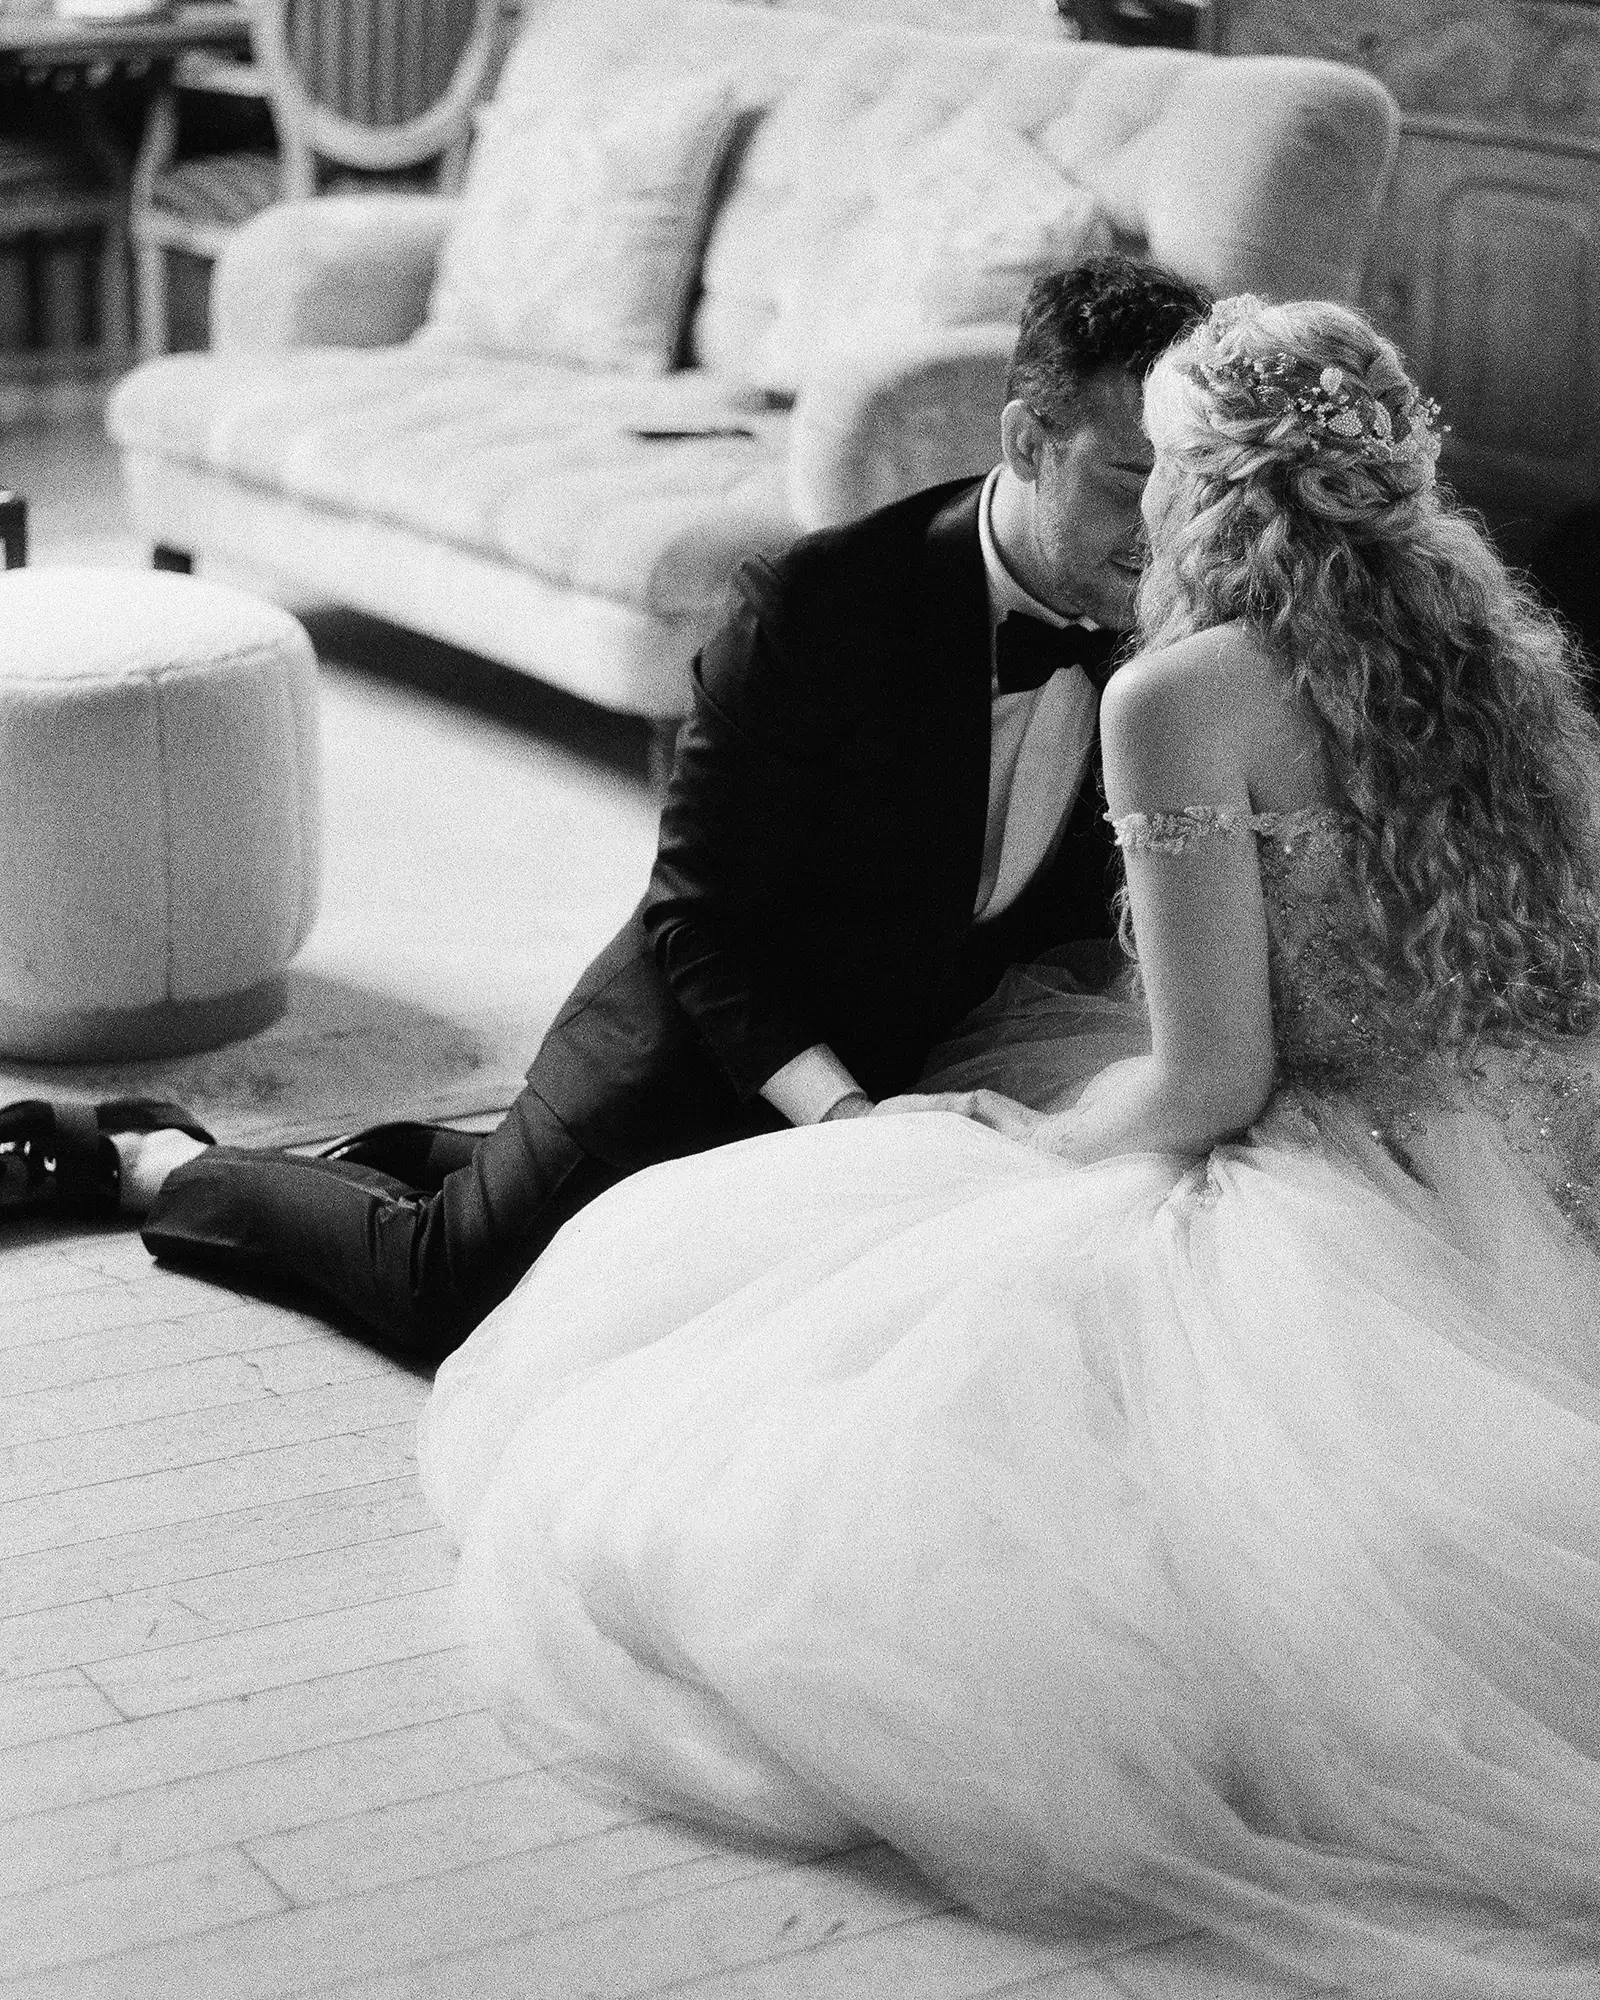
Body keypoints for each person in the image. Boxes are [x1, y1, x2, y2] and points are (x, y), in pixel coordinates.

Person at [414, 296, 1600, 1995]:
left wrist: (1040, 1141)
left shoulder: (1188, 694)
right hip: (1513, 1155)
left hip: (1325, 1167)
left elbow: (1206, 1088)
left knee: (858, 1387)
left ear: (1209, 490)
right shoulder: (1506, 661)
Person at [0, 256, 1211, 1366]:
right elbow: (699, 922)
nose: (1163, 529)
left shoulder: (1170, 617)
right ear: (1026, 437)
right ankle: (154, 1157)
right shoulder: (816, 606)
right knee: (445, 1293)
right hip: (691, 1044)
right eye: (1129, 480)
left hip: (904, 1059)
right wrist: (845, 1117)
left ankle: (436, 1157)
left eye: (1187, 486)